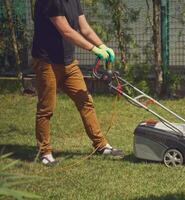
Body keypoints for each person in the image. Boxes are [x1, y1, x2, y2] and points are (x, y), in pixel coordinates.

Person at [31, 0, 123, 165]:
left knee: (86, 101)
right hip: (47, 62)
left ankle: (101, 145)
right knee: (46, 108)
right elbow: (66, 31)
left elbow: (84, 28)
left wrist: (102, 45)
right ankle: (45, 153)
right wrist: (93, 49)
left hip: (68, 62)